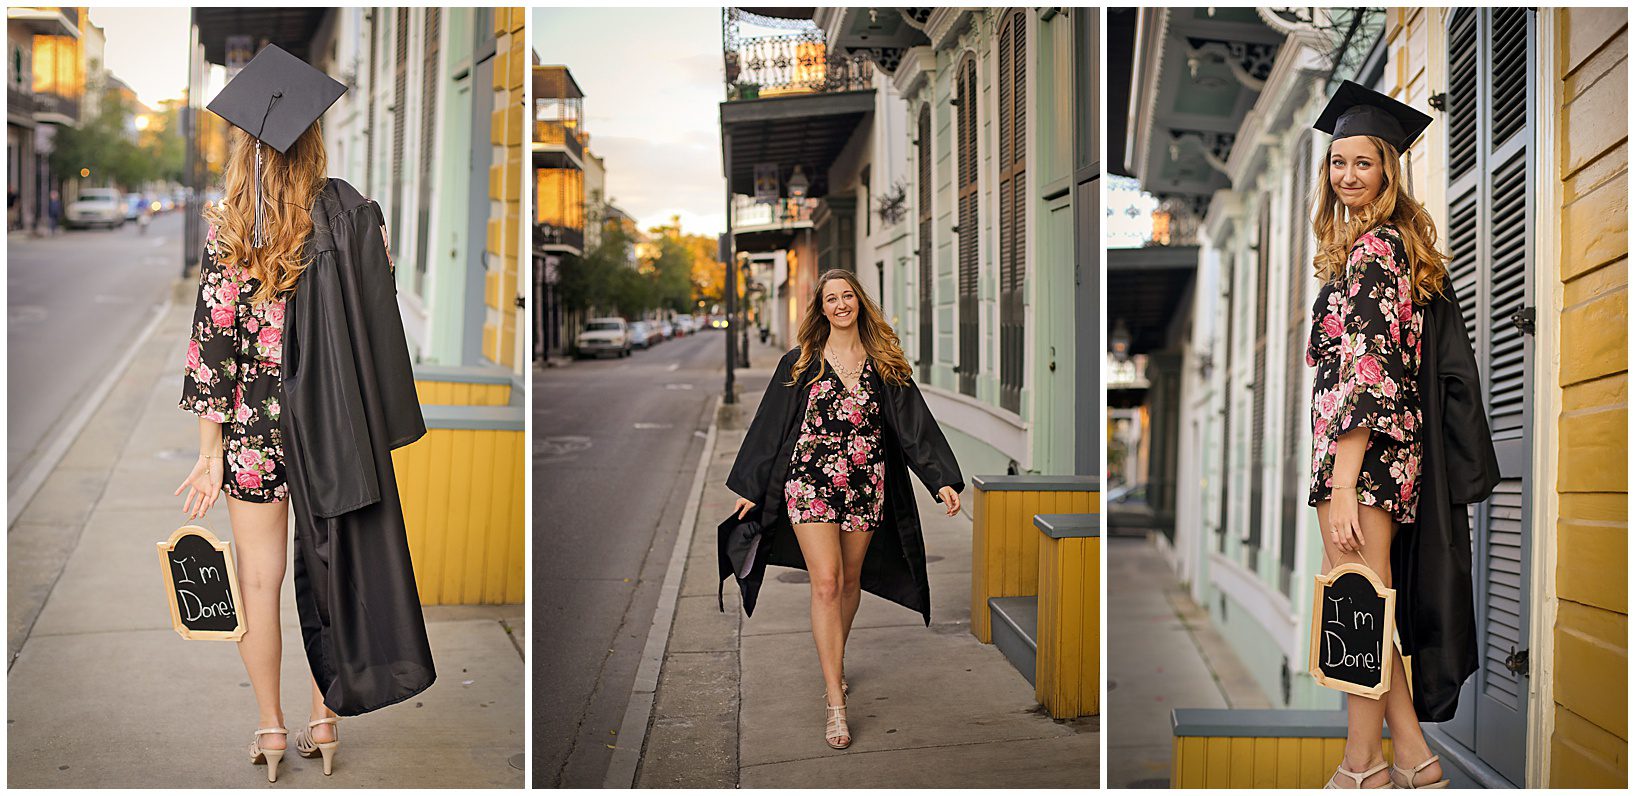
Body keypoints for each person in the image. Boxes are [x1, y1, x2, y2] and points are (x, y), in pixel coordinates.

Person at [173, 44, 433, 783]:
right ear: (313, 140)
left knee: (259, 580)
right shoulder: (351, 213)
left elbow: (211, 346)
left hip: (254, 433)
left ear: (245, 144)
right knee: (329, 573)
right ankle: (326, 719)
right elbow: (376, 324)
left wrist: (208, 449)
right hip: (330, 430)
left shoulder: (230, 228)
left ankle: (271, 727)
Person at [1306, 81, 1479, 789]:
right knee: (1364, 606)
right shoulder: (1381, 247)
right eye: (1336, 162)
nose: (1347, 175)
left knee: (1353, 609)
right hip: (1375, 458)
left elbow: (1369, 375)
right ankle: (1412, 758)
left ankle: (1359, 766)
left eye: (1362, 163)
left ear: (1387, 170)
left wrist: (1343, 482)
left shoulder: (1374, 252)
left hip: (1363, 460)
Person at [720, 268, 964, 750]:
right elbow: (769, 425)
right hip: (810, 483)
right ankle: (835, 699)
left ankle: (836, 659)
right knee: (827, 581)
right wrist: (750, 483)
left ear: (859, 302)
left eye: (846, 296)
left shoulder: (884, 364)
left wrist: (941, 481)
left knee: (850, 581)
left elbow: (914, 426)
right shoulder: (802, 362)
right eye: (830, 299)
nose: (839, 305)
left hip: (864, 484)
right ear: (821, 308)